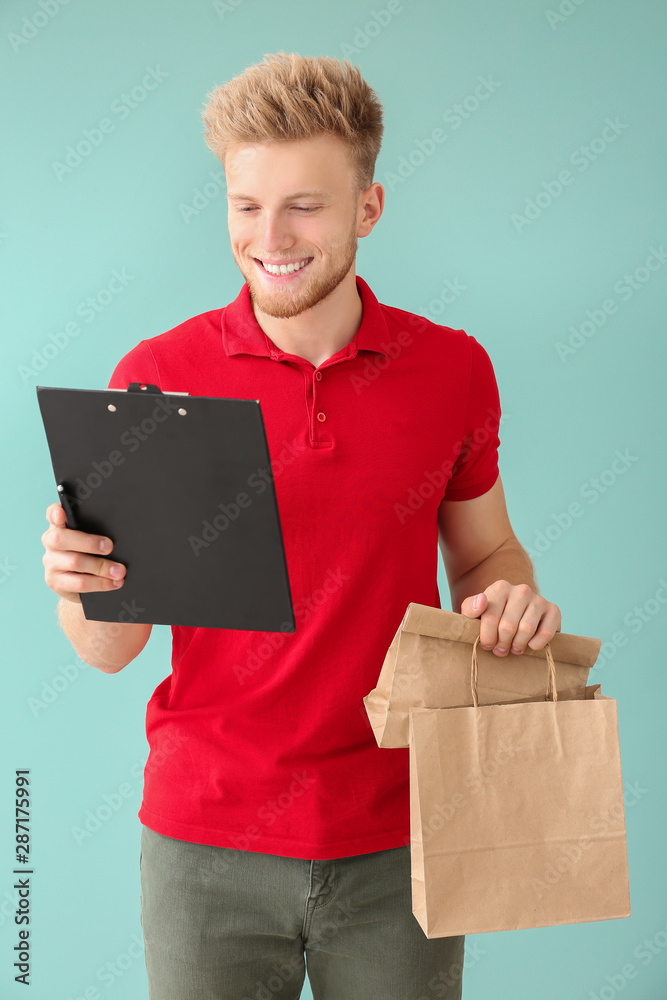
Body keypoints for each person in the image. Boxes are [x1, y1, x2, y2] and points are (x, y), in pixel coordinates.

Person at [41, 52, 561, 1000]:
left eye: (305, 206)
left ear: (367, 207)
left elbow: (484, 551)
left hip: (398, 835)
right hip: (204, 843)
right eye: (245, 205)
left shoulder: (451, 370)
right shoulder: (157, 378)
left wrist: (507, 602)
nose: (270, 237)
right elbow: (109, 649)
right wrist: (82, 580)